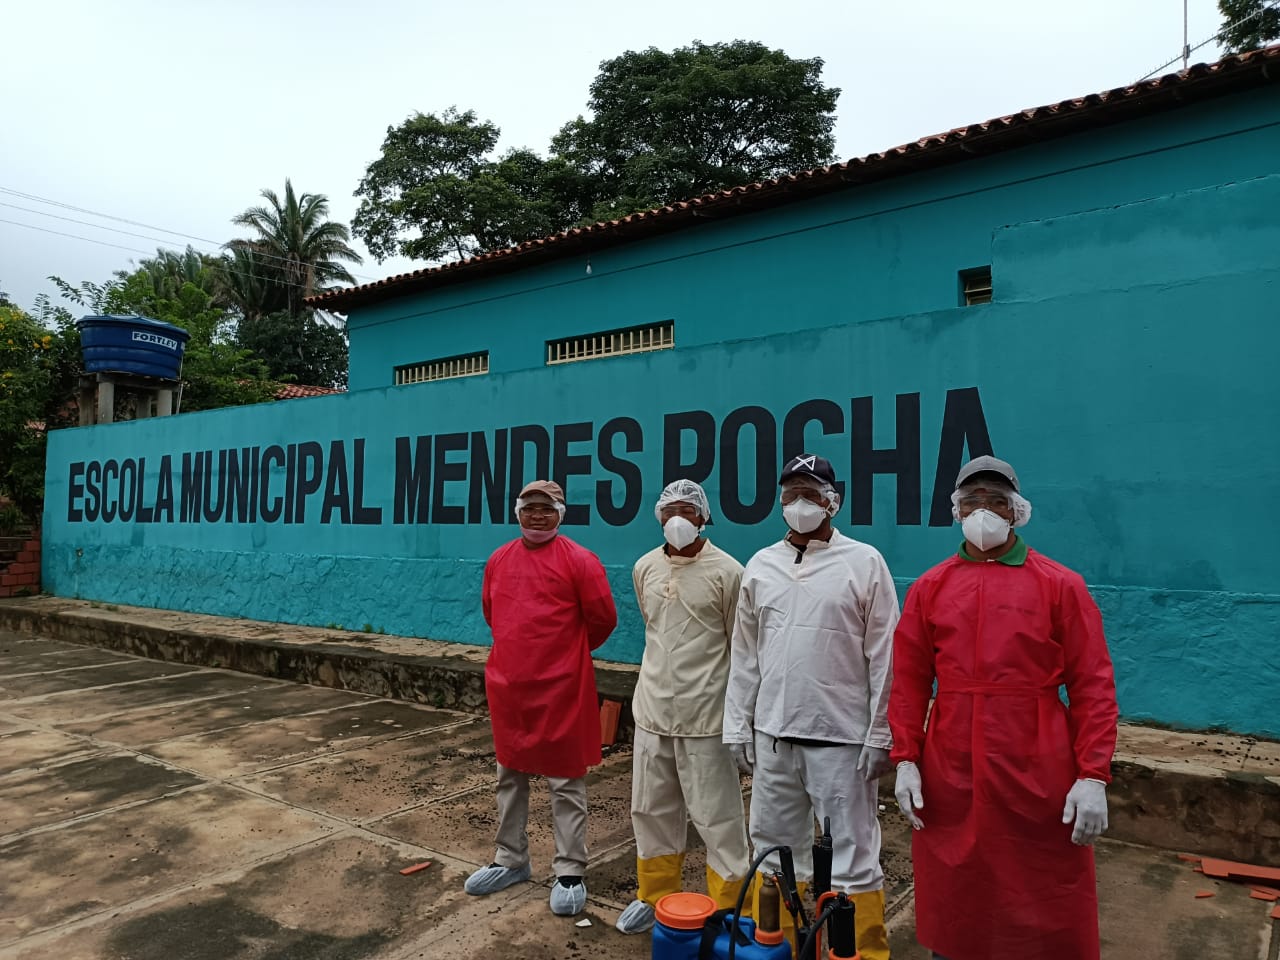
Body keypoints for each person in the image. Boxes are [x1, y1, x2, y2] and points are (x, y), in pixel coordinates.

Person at [889, 455, 1119, 960]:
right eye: (972, 502)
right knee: (958, 887)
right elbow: (908, 680)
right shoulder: (931, 588)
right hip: (951, 763)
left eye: (996, 501)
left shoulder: (1060, 585)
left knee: (1039, 888)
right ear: (956, 510)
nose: (984, 512)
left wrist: (1093, 774)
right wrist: (905, 758)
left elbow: (1092, 684)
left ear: (1016, 511)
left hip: (1037, 761)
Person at [723, 454, 899, 959]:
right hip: (773, 742)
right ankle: (777, 949)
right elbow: (746, 655)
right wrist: (737, 725)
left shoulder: (864, 563)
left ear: (832, 501)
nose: (800, 504)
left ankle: (858, 955)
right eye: (791, 494)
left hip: (842, 745)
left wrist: (881, 733)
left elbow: (885, 655)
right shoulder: (761, 565)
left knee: (853, 863)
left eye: (811, 494)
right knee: (774, 856)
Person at [465, 479, 618, 916]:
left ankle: (570, 868)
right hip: (509, 686)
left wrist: (562, 654)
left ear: (561, 513)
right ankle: (510, 858)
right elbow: (493, 614)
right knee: (509, 775)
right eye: (530, 507)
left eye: (547, 508)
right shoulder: (499, 559)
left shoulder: (581, 561)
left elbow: (603, 619)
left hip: (561, 687)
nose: (537, 515)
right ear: (518, 512)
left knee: (565, 780)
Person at [616, 479, 751, 935]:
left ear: (703, 517)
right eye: (669, 510)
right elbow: (654, 631)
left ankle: (730, 908)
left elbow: (741, 647)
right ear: (658, 517)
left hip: (706, 719)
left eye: (687, 511)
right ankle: (653, 896)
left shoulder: (729, 572)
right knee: (650, 810)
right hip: (652, 712)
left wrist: (740, 721)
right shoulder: (644, 568)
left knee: (719, 819)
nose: (678, 519)